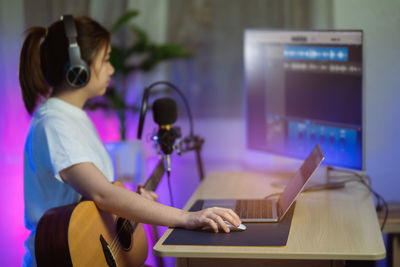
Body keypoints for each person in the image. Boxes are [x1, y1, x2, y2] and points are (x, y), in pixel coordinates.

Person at [19, 15, 241, 266]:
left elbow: (94, 201)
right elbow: (101, 193)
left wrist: (130, 205)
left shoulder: (74, 117)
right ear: (77, 69)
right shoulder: (54, 123)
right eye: (105, 60)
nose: (112, 69)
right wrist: (187, 218)